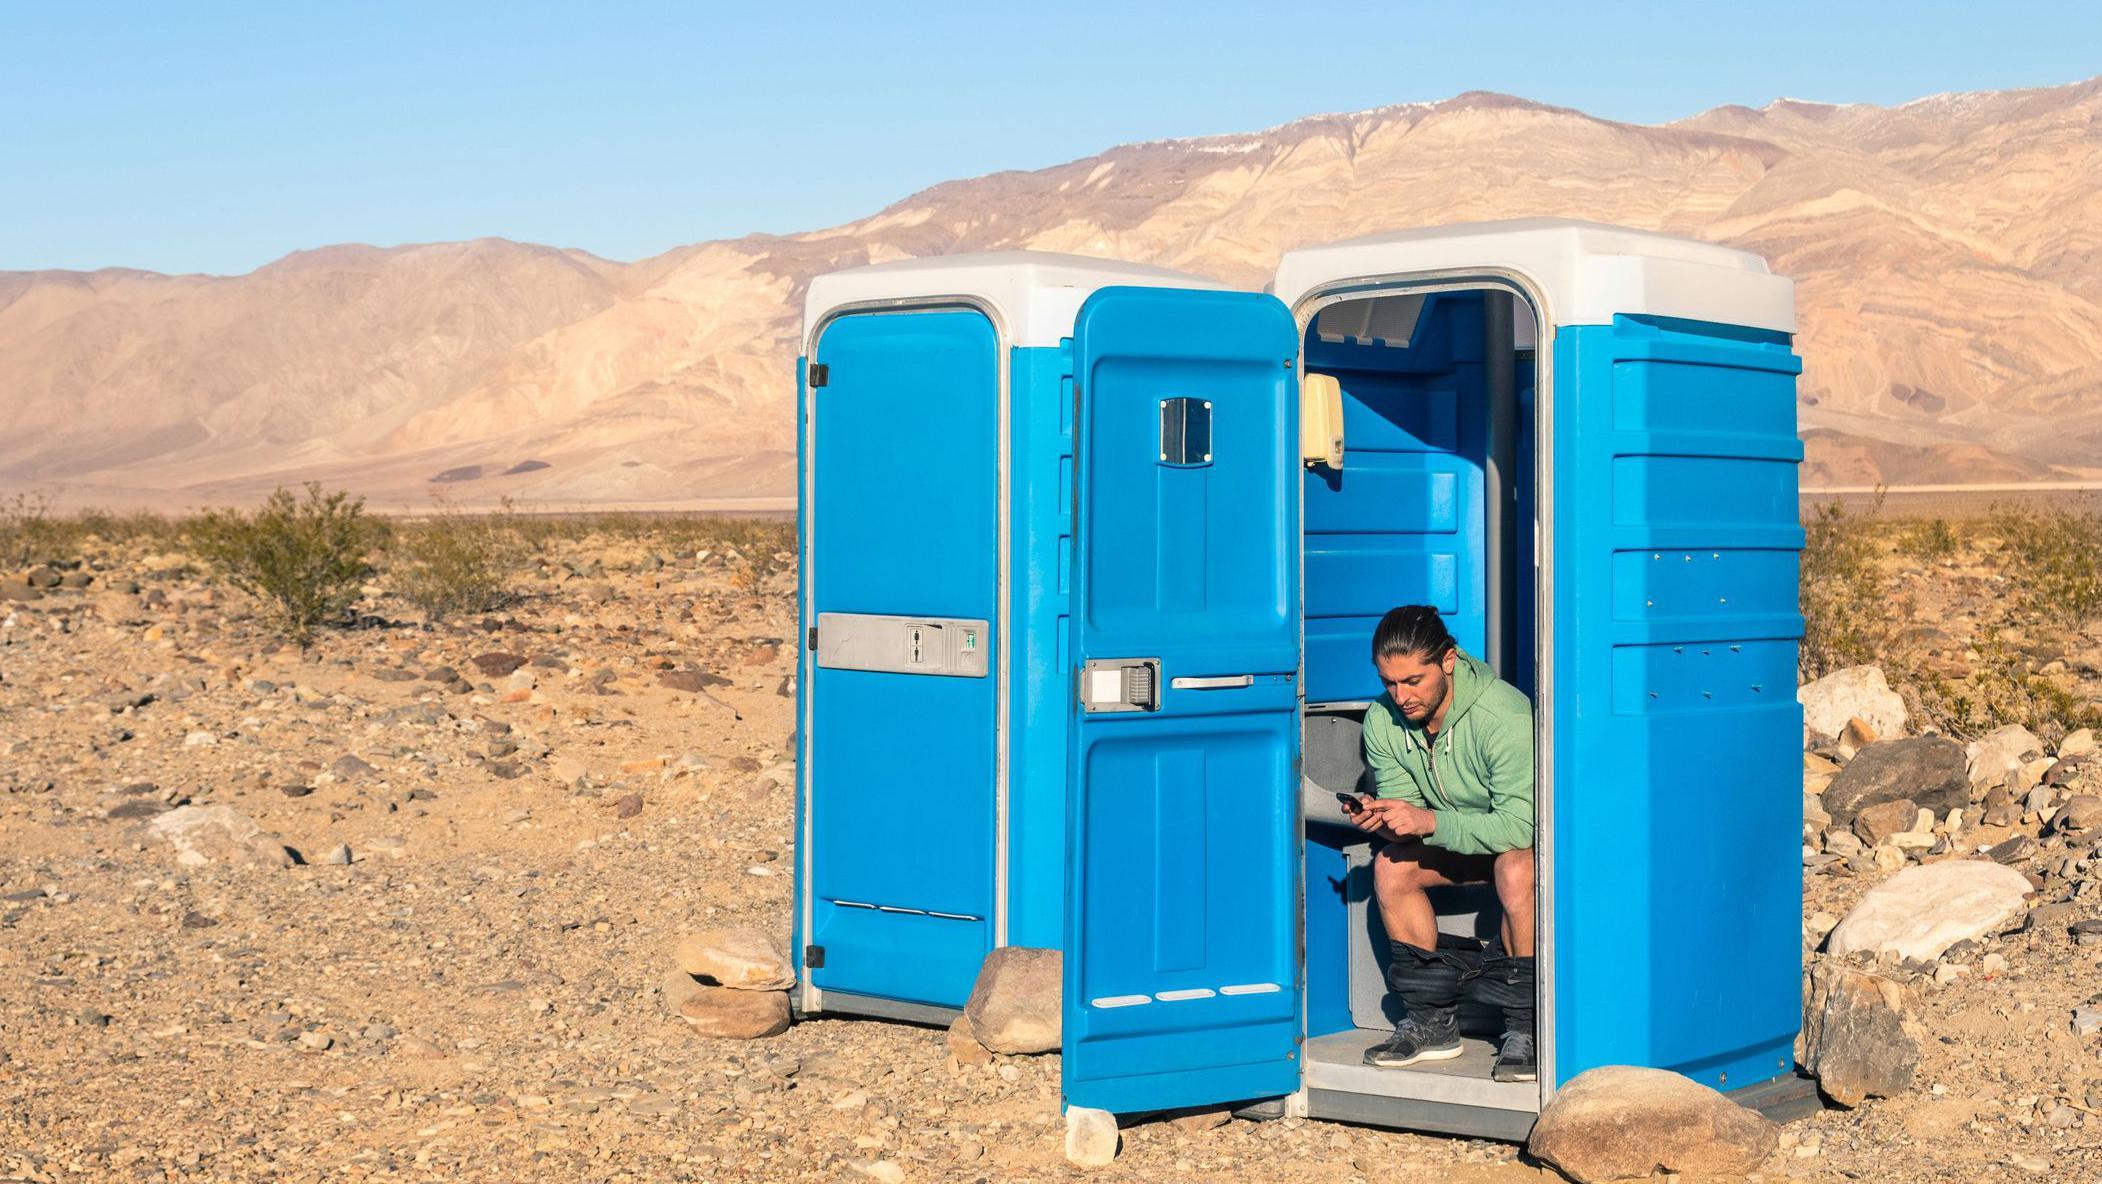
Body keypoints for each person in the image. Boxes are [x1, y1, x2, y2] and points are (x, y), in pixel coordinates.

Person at [1346, 604, 1537, 1083]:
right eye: (1389, 682)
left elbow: (1521, 826)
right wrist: (1384, 820)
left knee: (1517, 868)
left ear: (1448, 660)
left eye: (1413, 681)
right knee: (1391, 865)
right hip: (1454, 841)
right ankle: (1432, 1024)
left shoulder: (1503, 714)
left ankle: (1527, 1026)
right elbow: (1408, 813)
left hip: (1519, 846)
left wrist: (1429, 821)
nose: (1401, 696)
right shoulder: (1383, 719)